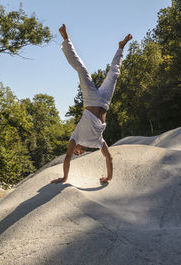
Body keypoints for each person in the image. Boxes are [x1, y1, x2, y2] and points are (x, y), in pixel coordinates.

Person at [51, 24, 132, 184]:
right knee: (114, 74)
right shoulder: (98, 142)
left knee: (82, 69)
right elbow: (109, 158)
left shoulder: (75, 137)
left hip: (90, 100)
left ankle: (66, 39)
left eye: (76, 152)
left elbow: (67, 157)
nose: (77, 152)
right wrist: (109, 177)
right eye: (79, 154)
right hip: (104, 102)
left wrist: (65, 177)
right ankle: (121, 48)